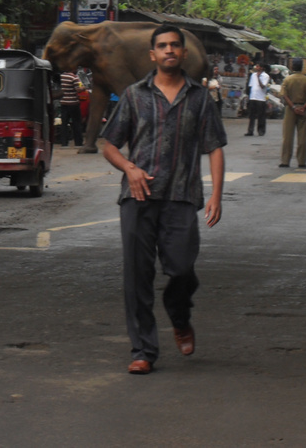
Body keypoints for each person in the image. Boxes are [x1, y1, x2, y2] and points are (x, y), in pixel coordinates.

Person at [101, 24, 227, 375]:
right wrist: (130, 168)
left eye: (175, 45)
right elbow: (109, 144)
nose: (169, 50)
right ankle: (143, 350)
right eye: (162, 46)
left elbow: (214, 147)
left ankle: (179, 313)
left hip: (182, 198)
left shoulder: (200, 98)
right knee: (137, 276)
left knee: (182, 269)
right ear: (152, 54)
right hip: (138, 198)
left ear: (184, 53)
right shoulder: (133, 95)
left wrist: (216, 194)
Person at [279, 57, 306, 169]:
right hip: (303, 109)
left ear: (292, 67)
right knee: (303, 136)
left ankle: (285, 160)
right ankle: (301, 161)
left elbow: (284, 95)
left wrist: (293, 107)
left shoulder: (287, 80)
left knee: (288, 136)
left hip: (291, 109)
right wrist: (303, 107)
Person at [59, 68, 85, 147]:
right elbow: (78, 90)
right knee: (76, 124)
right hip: (73, 104)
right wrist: (84, 87)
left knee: (64, 124)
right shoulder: (74, 78)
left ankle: (64, 142)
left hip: (63, 103)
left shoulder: (61, 77)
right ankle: (78, 142)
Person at [244, 62, 270, 136]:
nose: (257, 67)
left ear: (262, 68)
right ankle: (250, 130)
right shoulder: (253, 75)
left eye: (258, 66)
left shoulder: (265, 76)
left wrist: (258, 77)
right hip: (253, 97)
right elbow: (251, 86)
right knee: (251, 115)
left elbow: (262, 86)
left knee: (261, 116)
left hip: (260, 98)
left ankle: (261, 130)